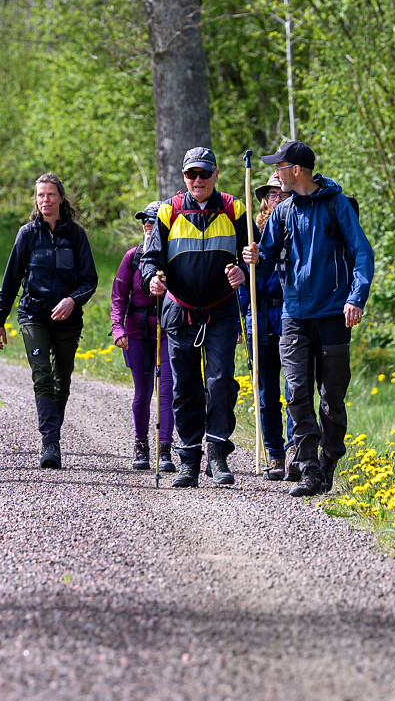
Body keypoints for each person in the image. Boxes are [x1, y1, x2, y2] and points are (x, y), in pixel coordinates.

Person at [242, 140, 373, 498]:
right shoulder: (284, 212)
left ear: (296, 170)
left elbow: (363, 254)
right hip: (294, 316)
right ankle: (309, 467)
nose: (277, 173)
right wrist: (255, 257)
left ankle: (329, 460)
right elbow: (266, 257)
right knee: (297, 392)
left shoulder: (337, 205)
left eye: (280, 167)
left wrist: (356, 298)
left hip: (333, 315)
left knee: (331, 398)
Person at [139, 147, 248, 488]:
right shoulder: (169, 210)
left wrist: (244, 271)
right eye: (191, 174)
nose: (198, 180)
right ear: (184, 177)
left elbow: (254, 256)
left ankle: (217, 453)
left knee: (220, 382)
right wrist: (152, 278)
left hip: (221, 310)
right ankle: (188, 460)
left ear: (216, 175)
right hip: (180, 310)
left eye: (204, 173)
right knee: (185, 387)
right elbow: (150, 258)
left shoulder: (234, 208)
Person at [0, 173, 98, 470]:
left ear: (61, 198)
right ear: (35, 200)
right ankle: (50, 442)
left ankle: (52, 434)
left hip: (68, 319)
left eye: (51, 194)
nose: (45, 200)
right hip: (33, 315)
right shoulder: (27, 234)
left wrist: (72, 300)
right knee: (42, 376)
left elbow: (90, 280)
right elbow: (11, 279)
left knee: (62, 381)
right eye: (40, 195)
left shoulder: (76, 235)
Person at [111, 203, 173, 472]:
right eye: (145, 221)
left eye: (153, 221)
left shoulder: (173, 256)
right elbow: (118, 296)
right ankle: (141, 444)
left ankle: (165, 448)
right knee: (143, 392)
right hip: (136, 331)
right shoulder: (132, 257)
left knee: (167, 390)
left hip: (168, 330)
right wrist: (118, 329)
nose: (148, 225)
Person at [238, 173, 290, 480]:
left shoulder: (297, 229)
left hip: (290, 316)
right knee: (267, 393)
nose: (277, 200)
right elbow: (242, 283)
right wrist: (244, 316)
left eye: (283, 194)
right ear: (264, 200)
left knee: (295, 390)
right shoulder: (252, 235)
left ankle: (297, 449)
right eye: (272, 195)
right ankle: (275, 454)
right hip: (259, 319)